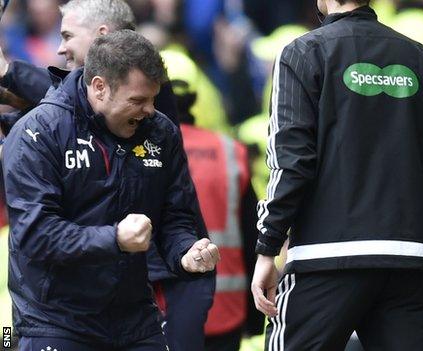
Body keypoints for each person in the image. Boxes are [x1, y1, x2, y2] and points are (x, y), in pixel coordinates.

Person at [250, 0, 423, 350]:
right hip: (410, 259)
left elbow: (291, 163)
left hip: (325, 259)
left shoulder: (302, 53)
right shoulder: (421, 57)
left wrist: (266, 248)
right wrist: (410, 227)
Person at [3, 30, 220, 351]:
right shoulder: (38, 132)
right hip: (54, 320)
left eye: (153, 98)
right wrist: (115, 239)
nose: (149, 110)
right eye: (137, 100)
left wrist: (186, 253)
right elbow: (37, 235)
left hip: (134, 317)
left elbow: (175, 218)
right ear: (99, 87)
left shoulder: (161, 132)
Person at [154, 50, 264, 351]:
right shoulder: (231, 151)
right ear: (194, 94)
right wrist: (254, 318)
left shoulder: (146, 150)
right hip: (227, 307)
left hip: (164, 310)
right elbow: (252, 234)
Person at [0, 0, 178, 134]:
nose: (60, 49)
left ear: (101, 35)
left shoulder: (141, 71)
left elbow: (73, 97)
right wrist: (8, 118)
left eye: (68, 36)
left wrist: (8, 71)